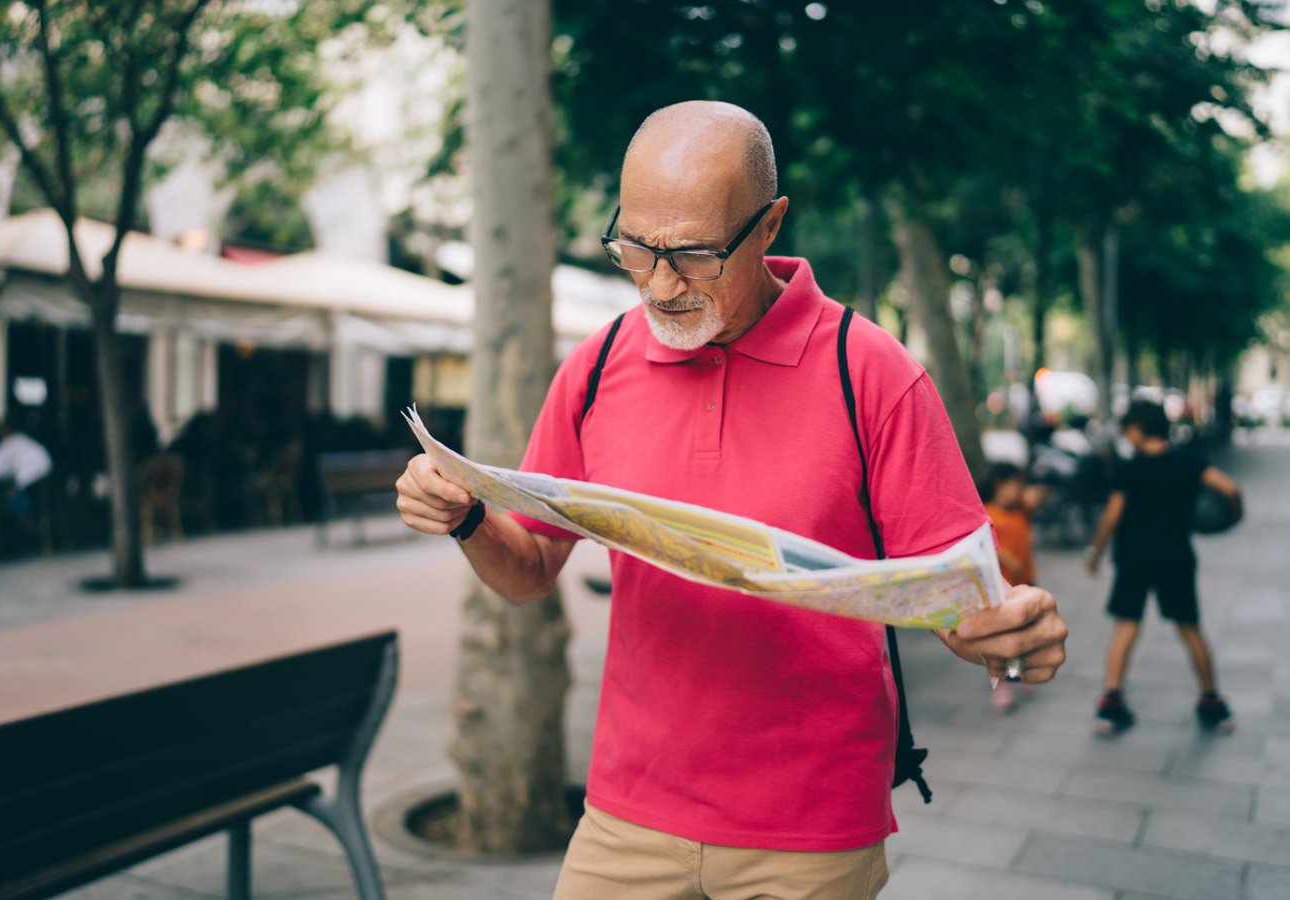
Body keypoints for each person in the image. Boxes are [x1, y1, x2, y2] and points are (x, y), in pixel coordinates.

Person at [396, 101, 1067, 899]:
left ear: (771, 225)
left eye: (696, 254)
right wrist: (468, 519)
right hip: (627, 813)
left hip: (810, 829)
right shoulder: (596, 364)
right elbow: (530, 570)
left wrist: (1006, 634)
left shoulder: (871, 373)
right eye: (636, 249)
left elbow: (955, 602)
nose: (662, 283)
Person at [1085, 398, 1240, 736]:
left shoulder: (1130, 468)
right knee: (1190, 627)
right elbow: (1230, 488)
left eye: (1127, 430)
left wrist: (1094, 552)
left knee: (1126, 626)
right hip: (1176, 557)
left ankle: (1110, 705)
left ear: (1138, 429)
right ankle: (1212, 701)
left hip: (1134, 558)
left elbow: (1112, 515)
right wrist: (1234, 515)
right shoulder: (1188, 461)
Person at [978, 461, 1044, 712]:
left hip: (1024, 584)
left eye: (1016, 485)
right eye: (1006, 486)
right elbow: (981, 545)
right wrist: (1003, 554)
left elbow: (1039, 496)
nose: (1012, 491)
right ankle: (1001, 685)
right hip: (997, 591)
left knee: (1020, 636)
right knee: (999, 641)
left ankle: (1016, 674)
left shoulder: (1021, 510)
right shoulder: (988, 512)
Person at [0, 416, 53, 563]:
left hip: (27, 500)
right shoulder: (26, 443)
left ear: (6, 429)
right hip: (42, 499)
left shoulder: (10, 444)